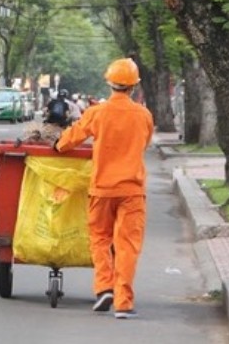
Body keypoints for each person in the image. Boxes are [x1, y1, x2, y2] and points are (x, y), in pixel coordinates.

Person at [53, 58, 153, 319]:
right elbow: (145, 144)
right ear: (133, 86)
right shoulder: (143, 115)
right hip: (132, 191)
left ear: (110, 83)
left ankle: (104, 288)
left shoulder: (97, 113)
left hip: (102, 189)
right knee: (127, 246)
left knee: (100, 240)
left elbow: (72, 137)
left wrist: (57, 146)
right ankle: (124, 302)